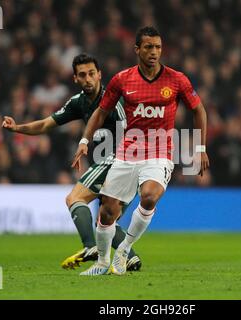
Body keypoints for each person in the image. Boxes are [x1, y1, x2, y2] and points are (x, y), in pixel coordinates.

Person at [72, 27, 210, 276]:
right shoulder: (122, 80)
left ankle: (124, 250)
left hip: (160, 151)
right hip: (128, 152)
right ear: (137, 49)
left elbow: (199, 110)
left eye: (158, 47)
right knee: (107, 212)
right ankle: (103, 262)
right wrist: (84, 140)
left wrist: (200, 148)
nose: (154, 52)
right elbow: (101, 112)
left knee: (149, 196)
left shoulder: (177, 80)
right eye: (148, 47)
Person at [2, 53, 142, 272]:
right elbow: (45, 125)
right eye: (82, 75)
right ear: (75, 78)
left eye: (92, 74)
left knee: (74, 198)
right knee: (105, 218)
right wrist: (17, 128)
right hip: (117, 161)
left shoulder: (112, 100)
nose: (88, 79)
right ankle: (131, 258)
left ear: (100, 75)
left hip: (123, 158)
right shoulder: (79, 102)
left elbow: (132, 132)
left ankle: (90, 247)